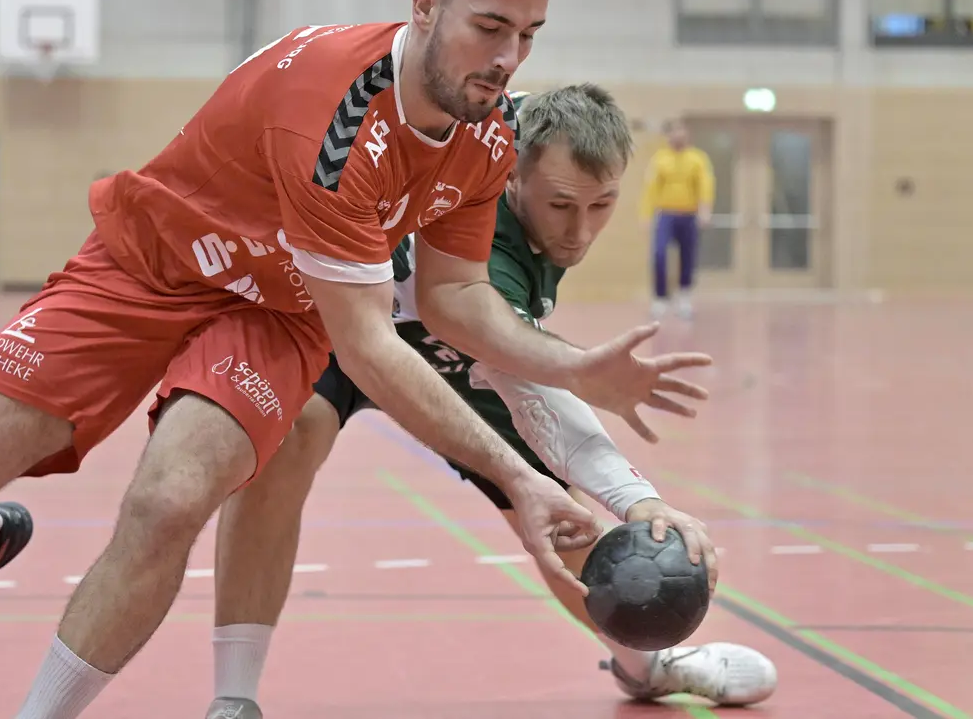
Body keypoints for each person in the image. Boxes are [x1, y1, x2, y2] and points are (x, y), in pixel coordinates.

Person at [0, 0, 712, 719]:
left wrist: (576, 368)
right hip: (148, 262)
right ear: (425, 6)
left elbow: (455, 300)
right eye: (489, 28)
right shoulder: (338, 122)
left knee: (169, 501)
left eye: (527, 36)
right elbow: (376, 348)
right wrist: (521, 480)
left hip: (279, 311)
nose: (506, 59)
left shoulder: (486, 135)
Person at [203, 86, 774, 719]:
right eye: (560, 205)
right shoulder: (484, 194)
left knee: (561, 516)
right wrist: (637, 496)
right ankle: (233, 698)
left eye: (602, 205)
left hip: (455, 356)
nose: (579, 231)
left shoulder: (536, 131)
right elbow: (532, 382)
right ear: (512, 173)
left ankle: (646, 668)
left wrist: (631, 507)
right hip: (346, 326)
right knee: (289, 442)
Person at [640, 119, 715, 320]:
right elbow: (651, 188)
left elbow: (705, 185)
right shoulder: (660, 159)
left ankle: (684, 297)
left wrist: (705, 210)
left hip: (689, 215)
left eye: (681, 131)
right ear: (669, 135)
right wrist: (646, 215)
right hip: (666, 215)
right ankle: (660, 298)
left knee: (688, 257)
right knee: (660, 255)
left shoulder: (698, 159)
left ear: (687, 134)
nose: (678, 135)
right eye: (674, 132)